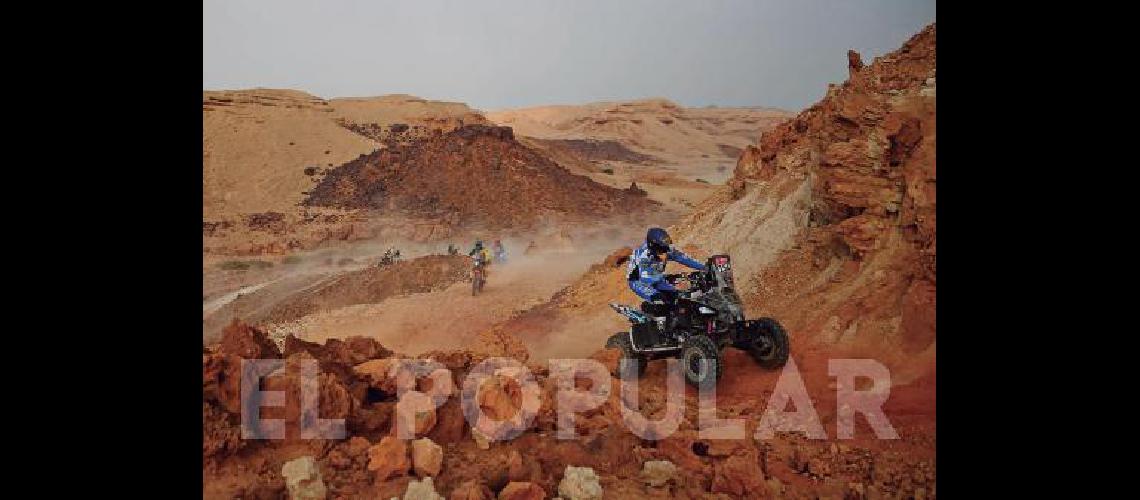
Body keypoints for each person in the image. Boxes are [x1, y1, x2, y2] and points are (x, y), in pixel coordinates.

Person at [626, 227, 706, 330]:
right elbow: (646, 278)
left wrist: (704, 267)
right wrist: (675, 279)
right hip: (639, 282)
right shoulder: (643, 257)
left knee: (677, 297)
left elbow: (683, 258)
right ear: (654, 246)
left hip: (656, 278)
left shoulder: (665, 247)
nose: (665, 253)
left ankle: (682, 324)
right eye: (662, 250)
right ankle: (661, 330)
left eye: (666, 249)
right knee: (659, 299)